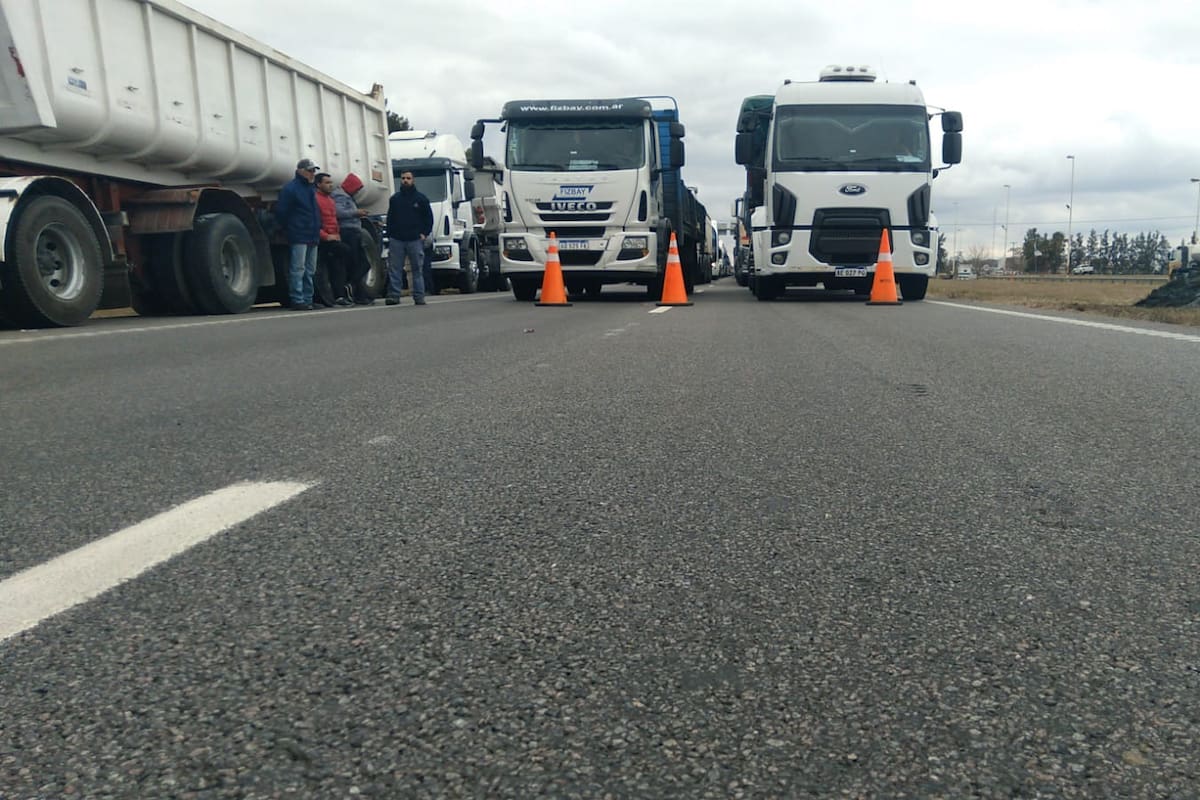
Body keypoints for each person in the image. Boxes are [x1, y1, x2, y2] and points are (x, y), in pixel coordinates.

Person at [275, 158, 322, 310]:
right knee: (298, 268)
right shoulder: (291, 189)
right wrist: (289, 227)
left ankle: (307, 299)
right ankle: (297, 299)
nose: (312, 173)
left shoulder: (311, 188)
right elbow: (282, 211)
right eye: (310, 170)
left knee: (310, 269)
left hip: (312, 233)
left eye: (314, 171)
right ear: (300, 171)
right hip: (299, 233)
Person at [385, 170, 434, 305]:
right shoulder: (395, 199)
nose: (405, 180)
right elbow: (390, 218)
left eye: (408, 178)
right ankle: (394, 295)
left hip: (415, 239)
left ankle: (419, 296)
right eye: (403, 178)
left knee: (417, 269)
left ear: (413, 180)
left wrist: (424, 233)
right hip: (397, 239)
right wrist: (390, 235)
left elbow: (428, 218)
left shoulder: (421, 199)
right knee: (395, 269)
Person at [333, 172, 374, 304]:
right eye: (356, 188)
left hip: (353, 232)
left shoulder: (348, 197)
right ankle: (351, 287)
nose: (357, 191)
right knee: (358, 263)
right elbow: (338, 212)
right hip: (347, 232)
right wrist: (356, 213)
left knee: (360, 264)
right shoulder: (340, 196)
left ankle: (357, 292)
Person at [313, 172, 353, 307]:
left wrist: (337, 235)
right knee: (342, 255)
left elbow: (333, 220)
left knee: (339, 265)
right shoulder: (315, 199)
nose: (330, 185)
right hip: (322, 240)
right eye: (327, 183)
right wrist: (326, 236)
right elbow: (314, 222)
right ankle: (328, 296)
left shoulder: (330, 200)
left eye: (331, 183)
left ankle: (340, 294)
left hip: (334, 238)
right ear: (318, 184)